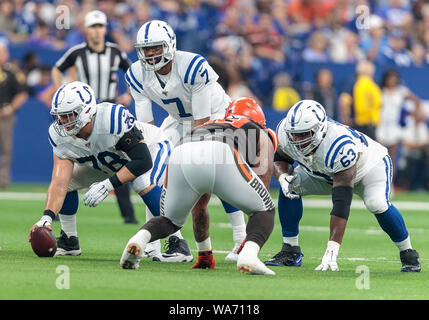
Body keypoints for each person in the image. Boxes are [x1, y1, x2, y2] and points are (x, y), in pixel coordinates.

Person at [28, 81, 192, 262]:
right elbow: (59, 181)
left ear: (87, 111)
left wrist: (108, 185)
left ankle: (178, 243)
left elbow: (142, 160)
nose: (64, 122)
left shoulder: (111, 118)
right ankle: (69, 241)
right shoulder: (58, 135)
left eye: (70, 115)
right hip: (107, 161)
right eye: (61, 116)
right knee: (69, 183)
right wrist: (47, 217)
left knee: (141, 182)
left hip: (153, 148)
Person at [125, 19, 247, 261]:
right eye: (146, 48)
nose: (150, 54)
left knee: (219, 173)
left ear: (169, 45)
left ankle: (240, 239)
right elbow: (146, 129)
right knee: (151, 169)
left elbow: (202, 125)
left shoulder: (192, 66)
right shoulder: (136, 74)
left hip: (215, 115)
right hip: (178, 119)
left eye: (156, 47)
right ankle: (160, 243)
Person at [120, 98, 277, 275]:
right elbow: (263, 178)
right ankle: (249, 255)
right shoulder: (259, 131)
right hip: (220, 150)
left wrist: (204, 254)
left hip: (181, 149)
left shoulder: (212, 123)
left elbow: (199, 206)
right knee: (265, 209)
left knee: (170, 220)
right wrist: (253, 229)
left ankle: (140, 239)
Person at [264, 99, 421, 272]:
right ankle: (290, 251)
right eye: (294, 134)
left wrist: (332, 248)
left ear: (319, 130)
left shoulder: (339, 145)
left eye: (303, 135)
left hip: (369, 168)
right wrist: (283, 176)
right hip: (325, 173)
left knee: (376, 203)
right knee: (290, 186)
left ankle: (408, 253)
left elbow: (341, 201)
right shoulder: (287, 132)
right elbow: (281, 159)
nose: (296, 140)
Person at [51, 10, 137, 224]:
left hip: (108, 112)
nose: (97, 31)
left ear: (105, 29)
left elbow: (134, 73)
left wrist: (129, 94)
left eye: (100, 26)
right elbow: (56, 69)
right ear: (86, 29)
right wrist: (60, 93)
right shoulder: (77, 52)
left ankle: (128, 216)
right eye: (93, 27)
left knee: (120, 159)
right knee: (67, 159)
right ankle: (59, 212)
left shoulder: (115, 52)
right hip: (82, 114)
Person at [0, 42, 29, 189]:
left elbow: (23, 93)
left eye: (4, 52)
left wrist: (11, 108)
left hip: (5, 116)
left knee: (6, 148)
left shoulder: (12, 72)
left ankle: (3, 181)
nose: (3, 55)